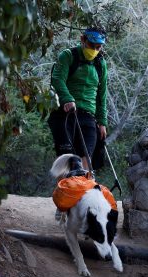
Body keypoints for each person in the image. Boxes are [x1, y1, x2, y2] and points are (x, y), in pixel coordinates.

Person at [47, 27, 108, 171]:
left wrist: (102, 121)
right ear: (82, 40)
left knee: (87, 156)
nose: (94, 50)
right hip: (65, 113)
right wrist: (67, 98)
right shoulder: (68, 56)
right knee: (66, 156)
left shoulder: (101, 64)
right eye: (91, 45)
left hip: (88, 116)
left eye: (98, 47)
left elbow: (102, 94)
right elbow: (57, 79)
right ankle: (64, 190)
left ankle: (83, 189)